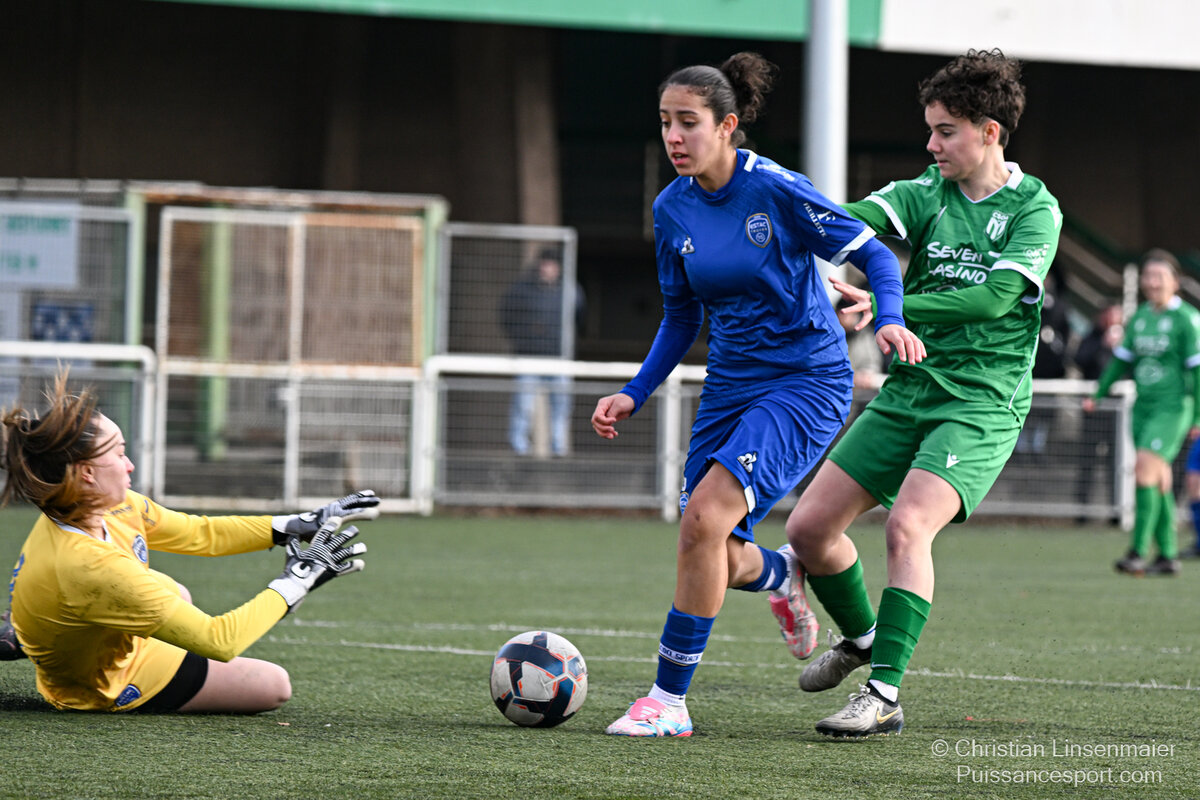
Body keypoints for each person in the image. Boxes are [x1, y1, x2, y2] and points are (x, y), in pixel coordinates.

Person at [589, 52, 924, 738]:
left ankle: (668, 702)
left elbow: (874, 254)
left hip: (805, 381)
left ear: (727, 125)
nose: (674, 136)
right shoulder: (672, 208)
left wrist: (889, 318)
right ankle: (779, 574)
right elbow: (681, 316)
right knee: (709, 544)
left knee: (703, 520)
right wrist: (634, 392)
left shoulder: (775, 189)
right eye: (665, 122)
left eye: (688, 122)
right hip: (730, 386)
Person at [775, 49, 1062, 737]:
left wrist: (888, 302)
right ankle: (866, 640)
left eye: (946, 132)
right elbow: (841, 218)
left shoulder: (1035, 209)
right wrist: (765, 199)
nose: (931, 145)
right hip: (911, 386)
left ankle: (882, 695)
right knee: (807, 530)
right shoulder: (927, 191)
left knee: (907, 525)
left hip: (981, 401)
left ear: (990, 132)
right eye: (930, 130)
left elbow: (994, 300)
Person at [0, 370, 380, 712]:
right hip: (101, 682)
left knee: (176, 594)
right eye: (119, 453)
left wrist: (295, 524)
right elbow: (220, 641)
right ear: (86, 473)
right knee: (274, 686)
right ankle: (39, 641)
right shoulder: (92, 567)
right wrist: (295, 583)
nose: (130, 464)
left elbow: (199, 533)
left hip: (88, 618)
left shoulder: (102, 506)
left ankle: (29, 633)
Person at [1083, 249, 1200, 577]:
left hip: (1173, 408)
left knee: (1144, 471)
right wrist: (1098, 394)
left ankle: (1137, 551)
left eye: (1159, 276)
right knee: (1158, 479)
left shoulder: (1187, 319)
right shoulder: (1141, 318)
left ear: (1175, 282)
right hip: (1143, 407)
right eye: (1148, 276)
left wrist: (1198, 416)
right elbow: (1121, 360)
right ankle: (1168, 555)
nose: (1152, 282)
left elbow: (1197, 371)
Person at [499, 248, 585, 457]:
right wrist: (525, 336)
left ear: (558, 267)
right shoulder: (521, 290)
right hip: (529, 357)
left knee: (561, 406)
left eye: (551, 264)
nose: (547, 268)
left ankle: (558, 448)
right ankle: (519, 447)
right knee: (523, 404)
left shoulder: (570, 291)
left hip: (559, 358)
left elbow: (580, 320)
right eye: (544, 263)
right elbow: (506, 317)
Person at [1072, 304, 1124, 520]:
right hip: (1093, 410)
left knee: (1117, 462)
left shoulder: (1127, 339)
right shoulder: (1092, 337)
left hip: (1119, 412)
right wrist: (1102, 345)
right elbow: (1079, 360)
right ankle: (1082, 510)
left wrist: (1117, 348)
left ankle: (1117, 511)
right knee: (1087, 461)